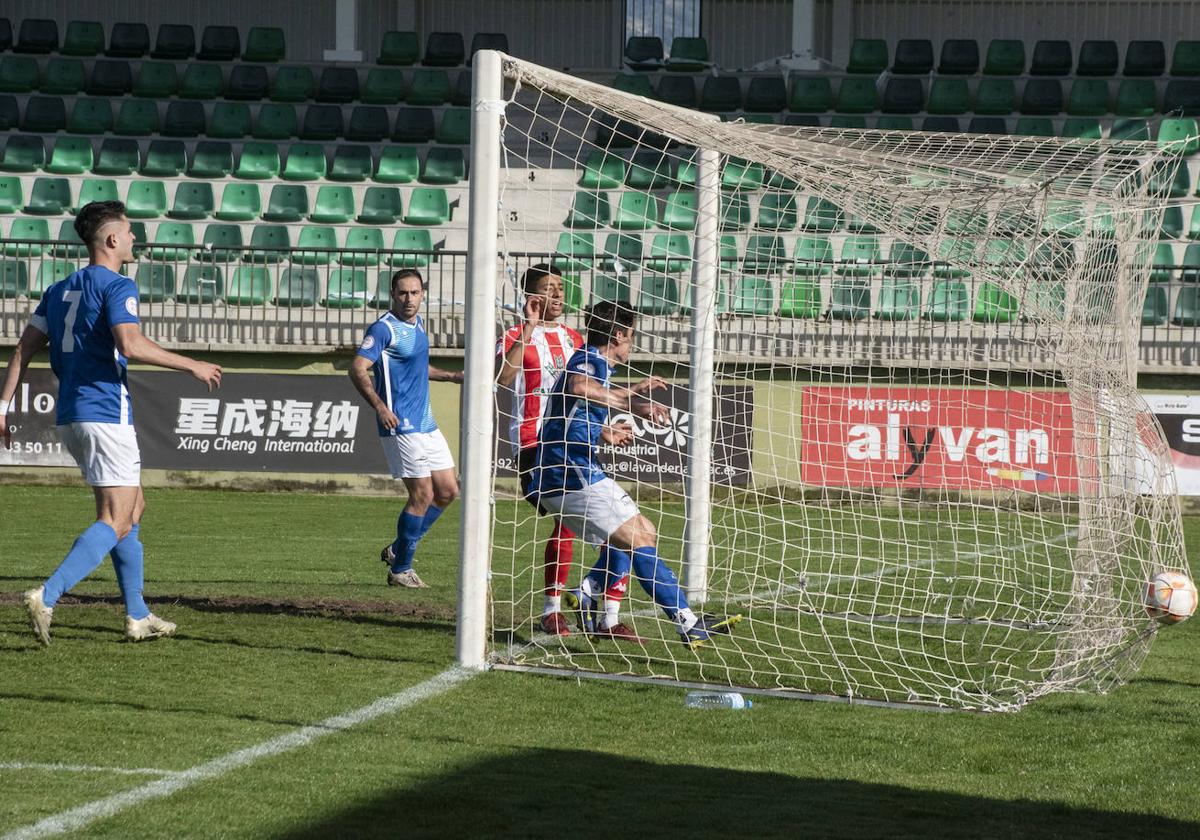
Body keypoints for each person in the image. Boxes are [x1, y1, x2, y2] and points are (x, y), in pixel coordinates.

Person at [0, 200, 223, 645]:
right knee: (116, 518)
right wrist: (191, 364)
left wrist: (2, 406)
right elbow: (131, 343)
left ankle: (137, 616)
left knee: (133, 511)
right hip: (105, 413)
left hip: (73, 416)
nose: (135, 238)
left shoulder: (59, 289)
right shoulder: (118, 285)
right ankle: (48, 594)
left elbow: (23, 350)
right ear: (111, 239)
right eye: (130, 230)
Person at [528, 301, 741, 648]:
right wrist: (632, 398)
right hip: (568, 474)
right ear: (618, 335)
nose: (631, 344)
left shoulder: (595, 365)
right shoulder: (589, 361)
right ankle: (687, 622)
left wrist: (608, 429)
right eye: (630, 337)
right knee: (638, 538)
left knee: (644, 531)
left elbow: (570, 414)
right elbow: (579, 387)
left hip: (575, 470)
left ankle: (590, 589)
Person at [350, 268, 463, 588]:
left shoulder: (418, 324)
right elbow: (357, 368)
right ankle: (401, 569)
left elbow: (417, 366)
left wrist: (453, 376)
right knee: (423, 494)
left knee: (448, 491)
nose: (408, 299)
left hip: (426, 423)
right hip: (401, 424)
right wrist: (380, 407)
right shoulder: (384, 329)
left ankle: (399, 548)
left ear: (423, 294)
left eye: (414, 293)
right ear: (392, 294)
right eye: (402, 293)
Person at [496, 264, 585, 636]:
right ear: (532, 295)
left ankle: (596, 601)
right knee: (567, 517)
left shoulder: (575, 339)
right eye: (550, 288)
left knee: (610, 520)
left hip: (576, 440)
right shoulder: (516, 334)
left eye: (561, 288)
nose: (559, 295)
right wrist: (529, 327)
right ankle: (553, 609)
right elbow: (503, 377)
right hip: (534, 443)